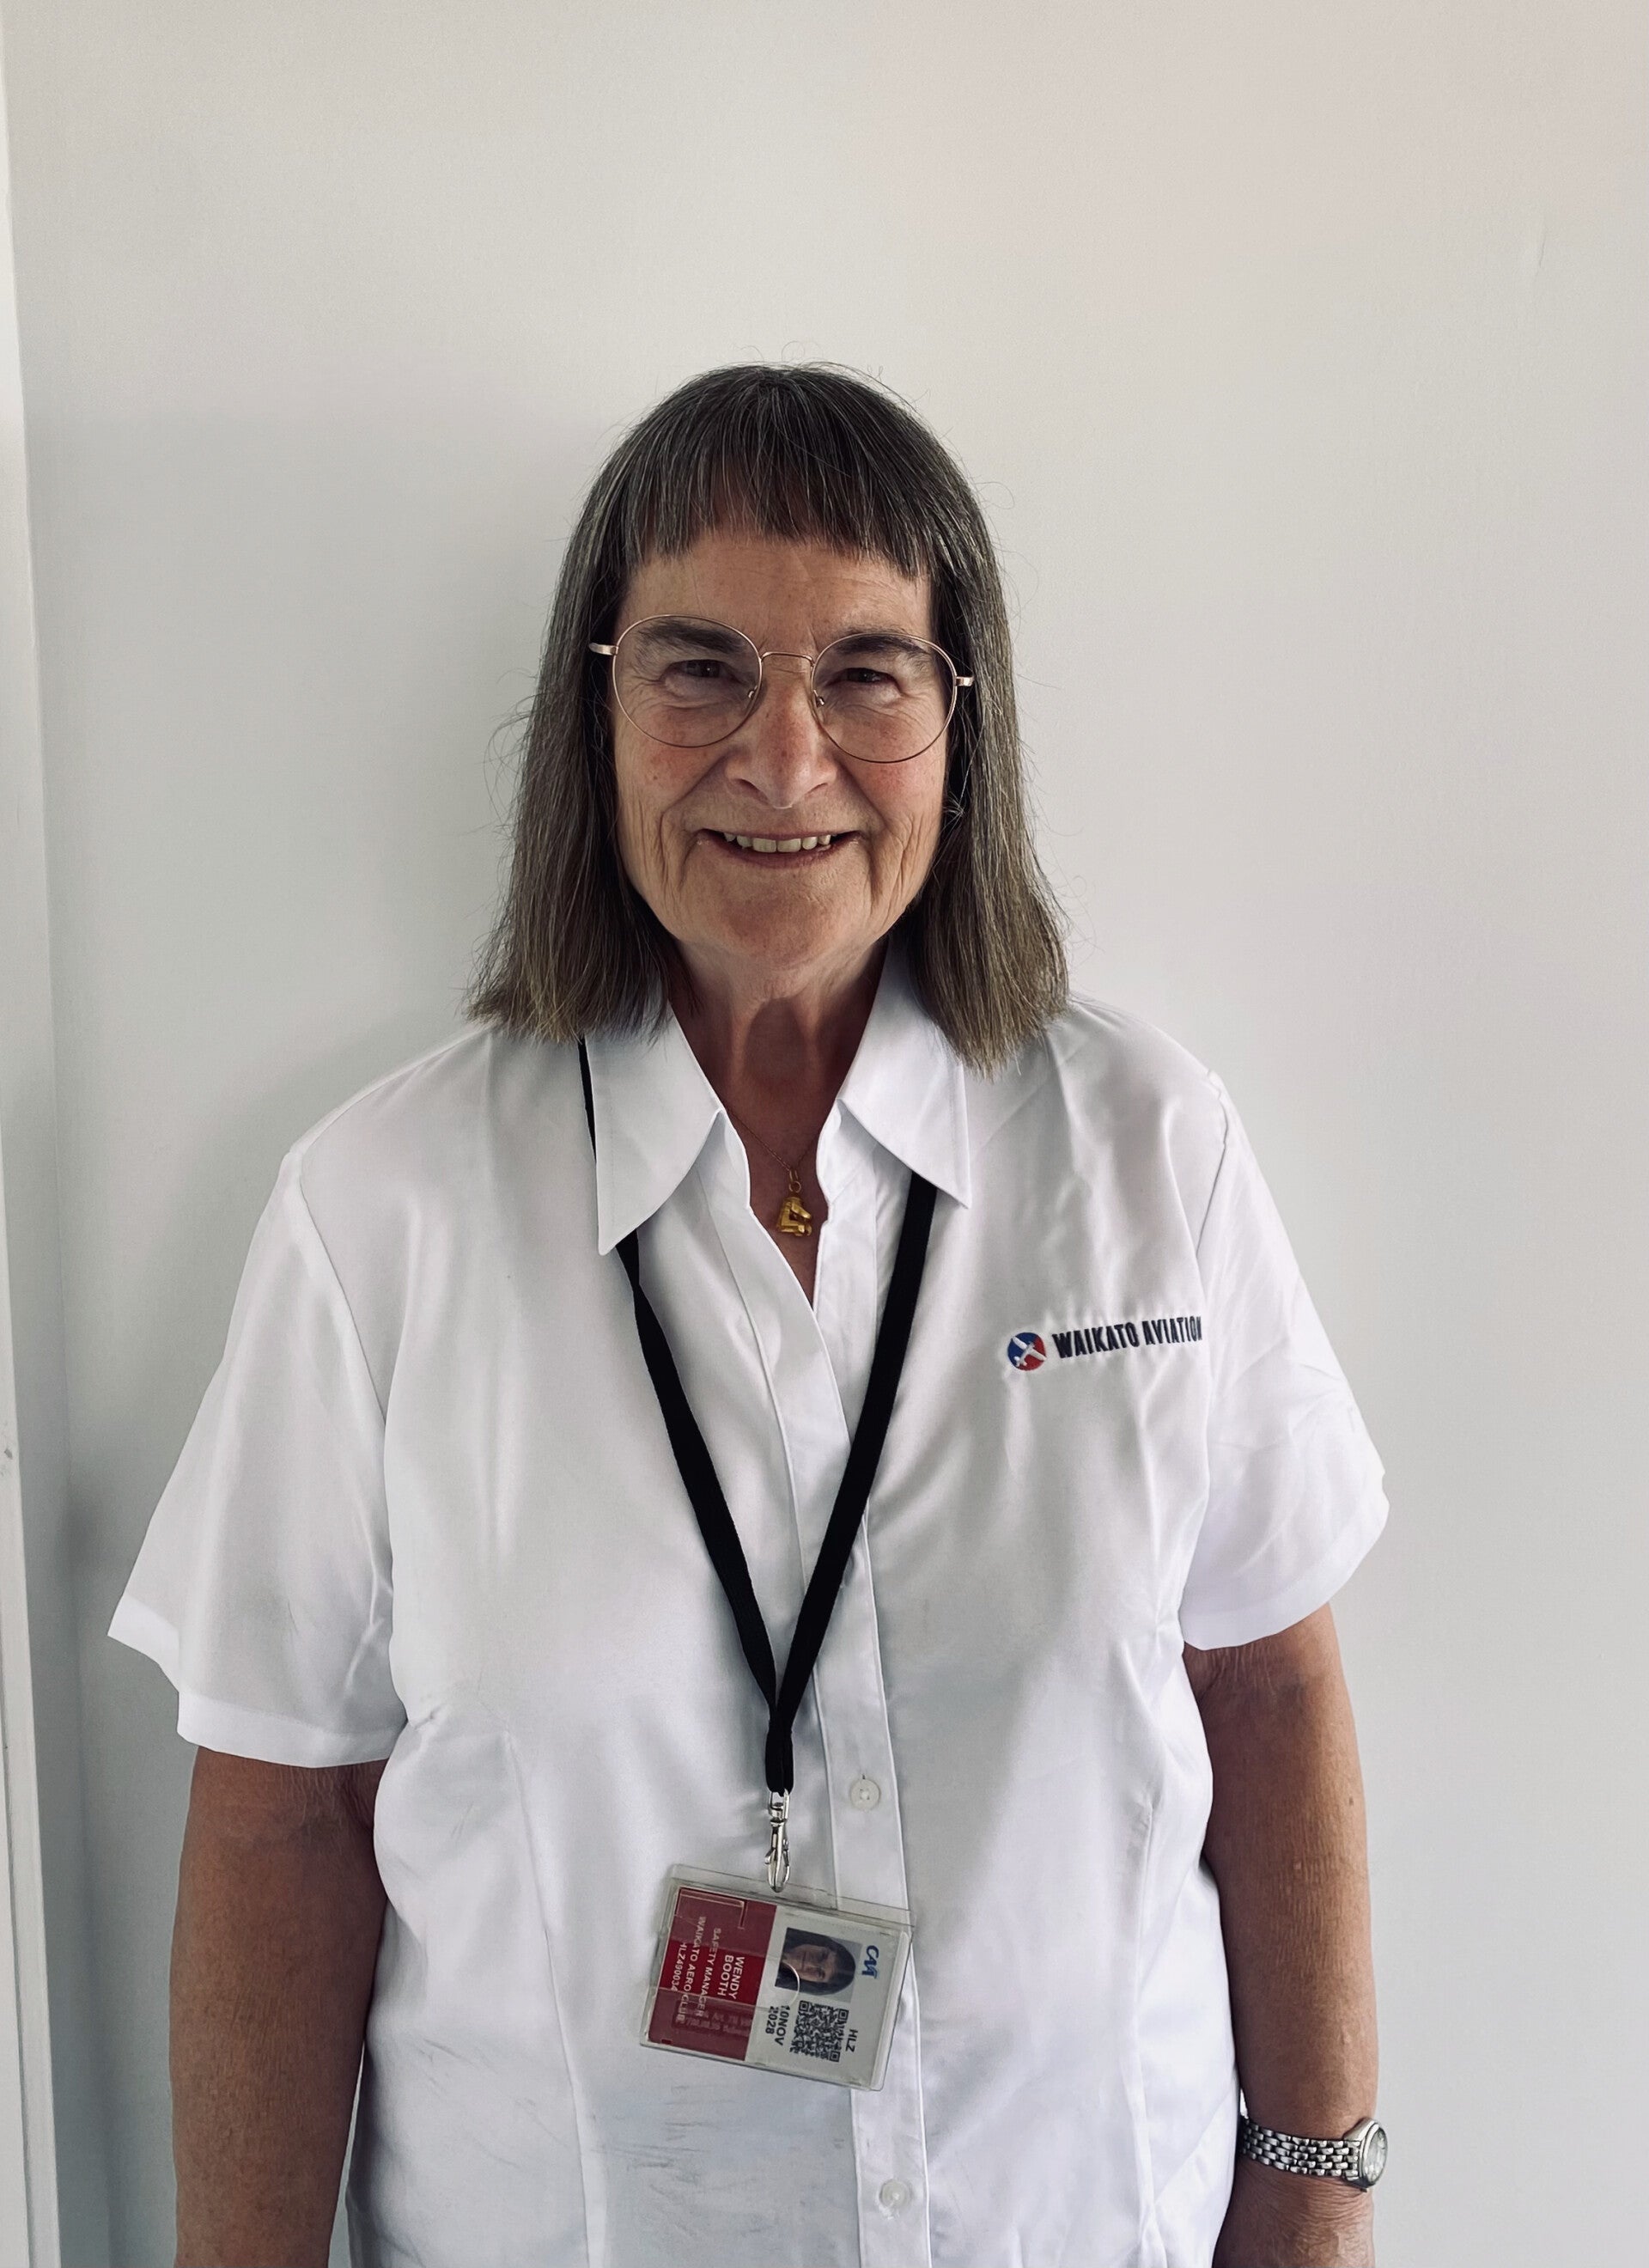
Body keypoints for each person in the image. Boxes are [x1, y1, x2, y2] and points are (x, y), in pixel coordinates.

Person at [112, 363, 1388, 2268]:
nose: (785, 763)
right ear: (598, 716)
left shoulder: (1149, 1151)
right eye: (699, 669)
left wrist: (1318, 2187)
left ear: (962, 722)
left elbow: (1269, 1684)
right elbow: (280, 1821)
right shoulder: (380, 1217)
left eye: (865, 673)